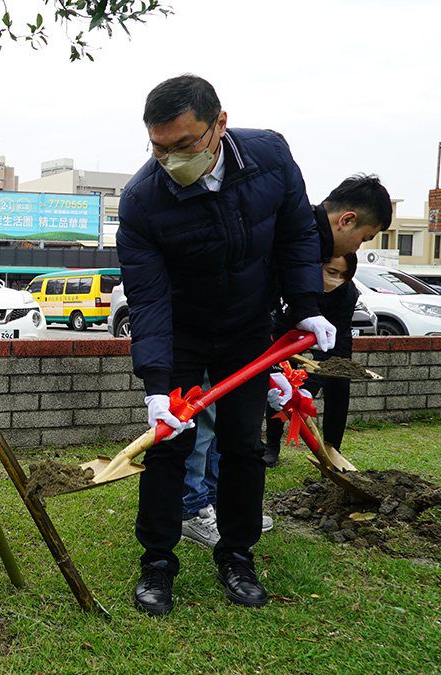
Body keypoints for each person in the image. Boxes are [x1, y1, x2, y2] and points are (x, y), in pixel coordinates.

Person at [117, 74, 335, 616]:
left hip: (246, 331)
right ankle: (158, 564)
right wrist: (158, 385)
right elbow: (147, 298)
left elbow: (296, 234)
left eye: (184, 145)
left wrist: (306, 303)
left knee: (243, 445)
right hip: (185, 335)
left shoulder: (270, 156)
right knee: (170, 446)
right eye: (158, 147)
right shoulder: (142, 200)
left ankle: (236, 555)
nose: (170, 159)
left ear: (220, 125)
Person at [180, 175, 392, 547]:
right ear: (347, 220)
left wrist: (273, 371)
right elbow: (254, 298)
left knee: (217, 428)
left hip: (238, 337)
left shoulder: (306, 241)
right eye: (365, 236)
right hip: (210, 332)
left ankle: (213, 502)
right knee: (202, 425)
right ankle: (192, 509)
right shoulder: (295, 234)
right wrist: (270, 367)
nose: (360, 245)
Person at [262, 175, 392, 464]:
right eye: (328, 272)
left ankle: (333, 450)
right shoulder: (296, 265)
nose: (332, 280)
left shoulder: (345, 296)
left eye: (340, 276)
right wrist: (279, 371)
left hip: (325, 342)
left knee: (338, 379)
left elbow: (336, 350)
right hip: (282, 337)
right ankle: (272, 444)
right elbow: (270, 329)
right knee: (280, 384)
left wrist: (310, 387)